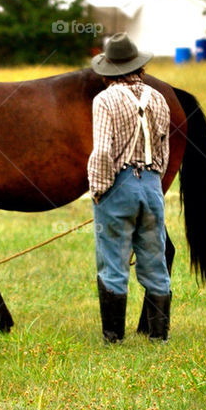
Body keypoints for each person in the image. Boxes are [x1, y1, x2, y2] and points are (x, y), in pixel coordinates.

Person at [87, 32, 172, 343]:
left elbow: (103, 152)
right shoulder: (159, 99)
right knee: (154, 260)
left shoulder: (105, 100)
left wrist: (98, 190)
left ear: (109, 70)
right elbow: (164, 150)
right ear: (139, 67)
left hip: (118, 187)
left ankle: (114, 338)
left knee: (112, 261)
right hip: (151, 186)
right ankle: (159, 337)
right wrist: (152, 183)